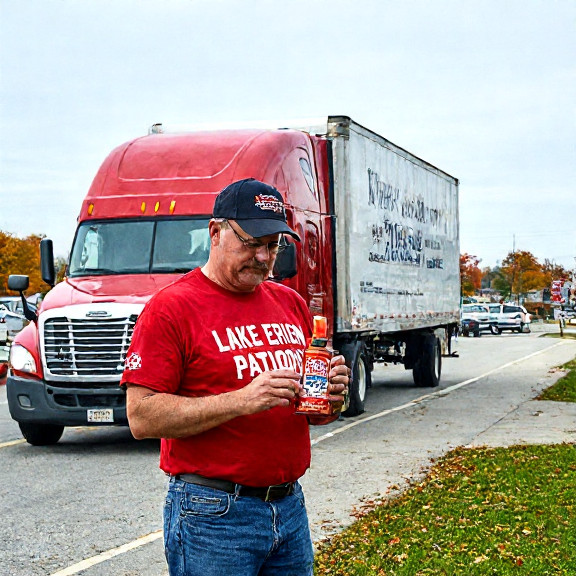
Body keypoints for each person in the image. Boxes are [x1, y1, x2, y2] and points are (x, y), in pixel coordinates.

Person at [121, 178, 350, 576]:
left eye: (274, 245)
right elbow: (141, 417)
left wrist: (332, 396)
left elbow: (313, 413)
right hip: (213, 514)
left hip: (288, 507)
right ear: (215, 232)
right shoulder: (171, 308)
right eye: (251, 242)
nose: (263, 256)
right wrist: (242, 400)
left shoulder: (289, 303)